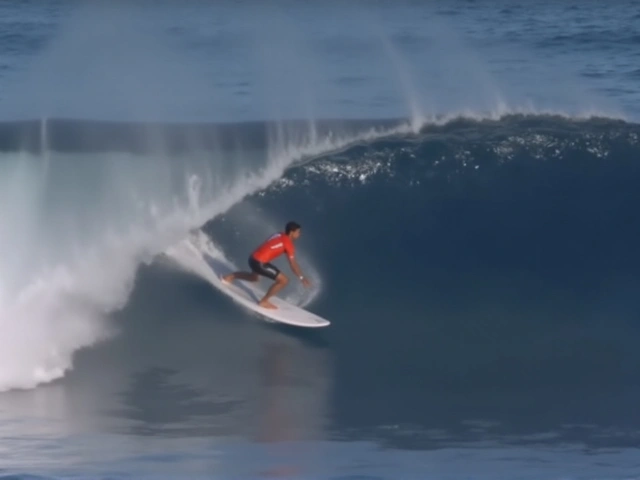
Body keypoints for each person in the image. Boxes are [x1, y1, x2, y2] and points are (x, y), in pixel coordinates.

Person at [222, 221, 311, 309]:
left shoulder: (279, 234)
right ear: (291, 233)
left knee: (254, 278)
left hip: (252, 258)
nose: (300, 234)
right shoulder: (288, 244)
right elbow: (293, 264)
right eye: (298, 232)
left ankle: (229, 277)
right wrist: (301, 277)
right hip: (260, 263)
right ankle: (264, 302)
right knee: (284, 281)